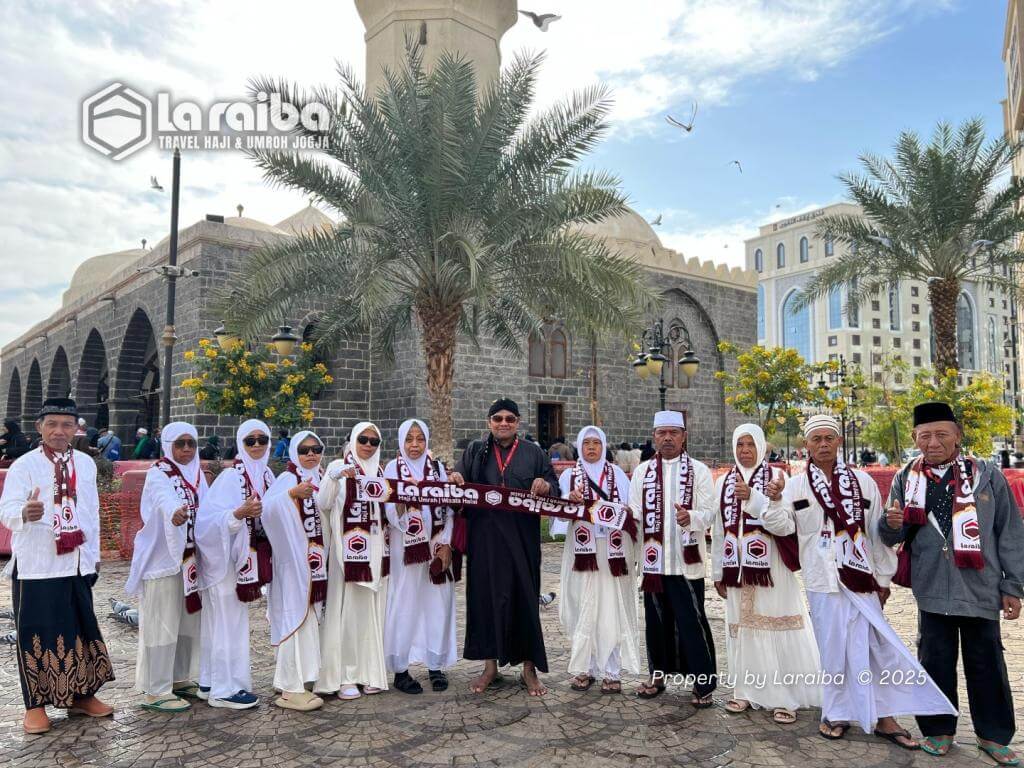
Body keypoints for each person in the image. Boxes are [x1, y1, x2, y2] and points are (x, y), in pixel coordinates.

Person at [770, 414, 954, 747]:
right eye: (817, 439)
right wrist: (772, 499)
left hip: (861, 578)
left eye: (829, 438)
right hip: (822, 580)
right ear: (806, 445)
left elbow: (875, 534)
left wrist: (883, 579)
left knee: (874, 647)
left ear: (839, 441)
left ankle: (884, 716)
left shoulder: (862, 482)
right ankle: (837, 712)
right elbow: (782, 527)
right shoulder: (794, 485)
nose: (823, 445)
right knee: (833, 649)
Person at [881, 402, 1024, 764]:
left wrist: (1013, 586)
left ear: (958, 436)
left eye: (941, 434)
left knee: (986, 662)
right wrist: (890, 523)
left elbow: (1009, 532)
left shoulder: (986, 474)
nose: (932, 442)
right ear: (914, 438)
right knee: (934, 661)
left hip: (980, 587)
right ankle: (938, 729)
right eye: (925, 435)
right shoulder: (905, 478)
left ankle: (992, 736)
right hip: (931, 590)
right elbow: (886, 534)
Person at [0, 397, 114, 734]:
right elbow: (6, 509)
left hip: (76, 562)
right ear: (40, 428)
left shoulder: (86, 463)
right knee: (36, 634)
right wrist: (25, 513)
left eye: (67, 424)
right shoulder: (25, 465)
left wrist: (93, 557)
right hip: (38, 565)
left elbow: (90, 512)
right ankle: (34, 706)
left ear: (76, 427)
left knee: (79, 631)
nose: (59, 431)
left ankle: (82, 696)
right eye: (52, 424)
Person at [711, 424, 821, 724]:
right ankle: (745, 690)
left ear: (761, 447)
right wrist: (719, 571)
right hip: (737, 571)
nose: (744, 450)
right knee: (742, 629)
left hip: (771, 570)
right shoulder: (723, 483)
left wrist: (758, 500)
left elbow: (785, 526)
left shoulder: (777, 479)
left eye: (750, 444)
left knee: (774, 626)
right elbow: (719, 531)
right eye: (740, 445)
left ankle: (784, 697)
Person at [453, 397, 559, 696]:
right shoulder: (475, 451)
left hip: (522, 543)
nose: (503, 423)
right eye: (497, 418)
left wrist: (545, 486)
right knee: (484, 601)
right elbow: (457, 483)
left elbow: (555, 486)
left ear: (518, 423)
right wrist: (456, 479)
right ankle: (490, 667)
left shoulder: (534, 453)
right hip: (484, 543)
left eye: (509, 419)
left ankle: (529, 669)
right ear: (489, 422)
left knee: (525, 600)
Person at [630, 410, 717, 706]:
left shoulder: (699, 471)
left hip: (686, 563)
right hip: (654, 563)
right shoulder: (642, 472)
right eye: (662, 433)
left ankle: (702, 681)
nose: (667, 438)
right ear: (654, 436)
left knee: (692, 622)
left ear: (683, 437)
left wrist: (689, 516)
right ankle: (657, 675)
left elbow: (709, 513)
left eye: (673, 433)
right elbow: (635, 513)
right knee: (655, 622)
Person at [125, 422, 208, 712]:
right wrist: (176, 514)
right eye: (180, 443)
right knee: (161, 624)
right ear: (168, 444)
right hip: (163, 561)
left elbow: (208, 510)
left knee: (187, 622)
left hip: (190, 562)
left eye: (191, 444)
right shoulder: (158, 473)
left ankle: (179, 678)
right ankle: (155, 688)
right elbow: (164, 500)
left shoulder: (197, 475)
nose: (186, 449)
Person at [194, 420, 276, 709]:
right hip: (225, 562)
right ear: (241, 444)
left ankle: (209, 681)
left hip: (246, 560)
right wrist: (238, 513)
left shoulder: (266, 476)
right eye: (250, 440)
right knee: (227, 624)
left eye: (262, 439)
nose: (257, 445)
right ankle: (226, 689)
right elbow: (205, 522)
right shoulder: (231, 477)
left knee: (222, 624)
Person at [552, 426, 639, 695]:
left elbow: (631, 512)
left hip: (612, 551)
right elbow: (560, 514)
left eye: (596, 443)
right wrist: (570, 500)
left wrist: (623, 512)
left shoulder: (618, 476)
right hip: (582, 552)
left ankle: (612, 671)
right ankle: (585, 668)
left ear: (603, 446)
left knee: (612, 608)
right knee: (583, 606)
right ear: (579, 446)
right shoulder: (569, 476)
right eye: (586, 443)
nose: (591, 447)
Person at [316, 421, 390, 699]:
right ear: (353, 441)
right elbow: (323, 503)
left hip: (375, 555)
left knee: (371, 616)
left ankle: (369, 672)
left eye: (374, 441)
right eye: (364, 440)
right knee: (346, 616)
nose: (369, 446)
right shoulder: (339, 467)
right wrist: (332, 478)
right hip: (346, 556)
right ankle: (345, 676)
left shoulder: (381, 472)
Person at [383, 419, 457, 694]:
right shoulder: (393, 468)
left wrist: (446, 543)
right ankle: (401, 669)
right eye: (409, 439)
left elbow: (448, 509)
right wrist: (406, 493)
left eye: (420, 439)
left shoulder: (437, 469)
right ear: (401, 442)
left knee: (437, 604)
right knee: (406, 603)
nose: (415, 445)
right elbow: (390, 513)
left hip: (436, 547)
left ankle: (435, 664)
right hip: (407, 549)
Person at [263, 431, 328, 712]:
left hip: (316, 564)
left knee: (310, 621)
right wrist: (291, 494)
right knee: (294, 620)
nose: (311, 454)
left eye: (316, 449)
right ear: (294, 453)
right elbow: (267, 509)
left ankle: (304, 677)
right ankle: (290, 687)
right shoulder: (288, 478)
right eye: (304, 450)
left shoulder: (322, 477)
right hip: (293, 565)